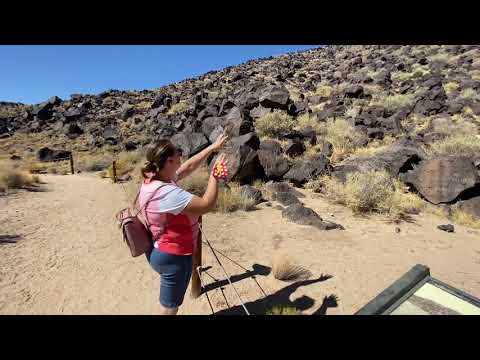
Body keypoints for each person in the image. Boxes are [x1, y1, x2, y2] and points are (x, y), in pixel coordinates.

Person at [138, 132, 228, 315]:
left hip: (158, 249)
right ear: (169, 160)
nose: (181, 155)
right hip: (174, 257)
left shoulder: (154, 180)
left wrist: (212, 148)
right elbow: (205, 205)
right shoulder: (168, 194)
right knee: (170, 308)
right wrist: (214, 175)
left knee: (170, 303)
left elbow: (189, 166)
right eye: (178, 152)